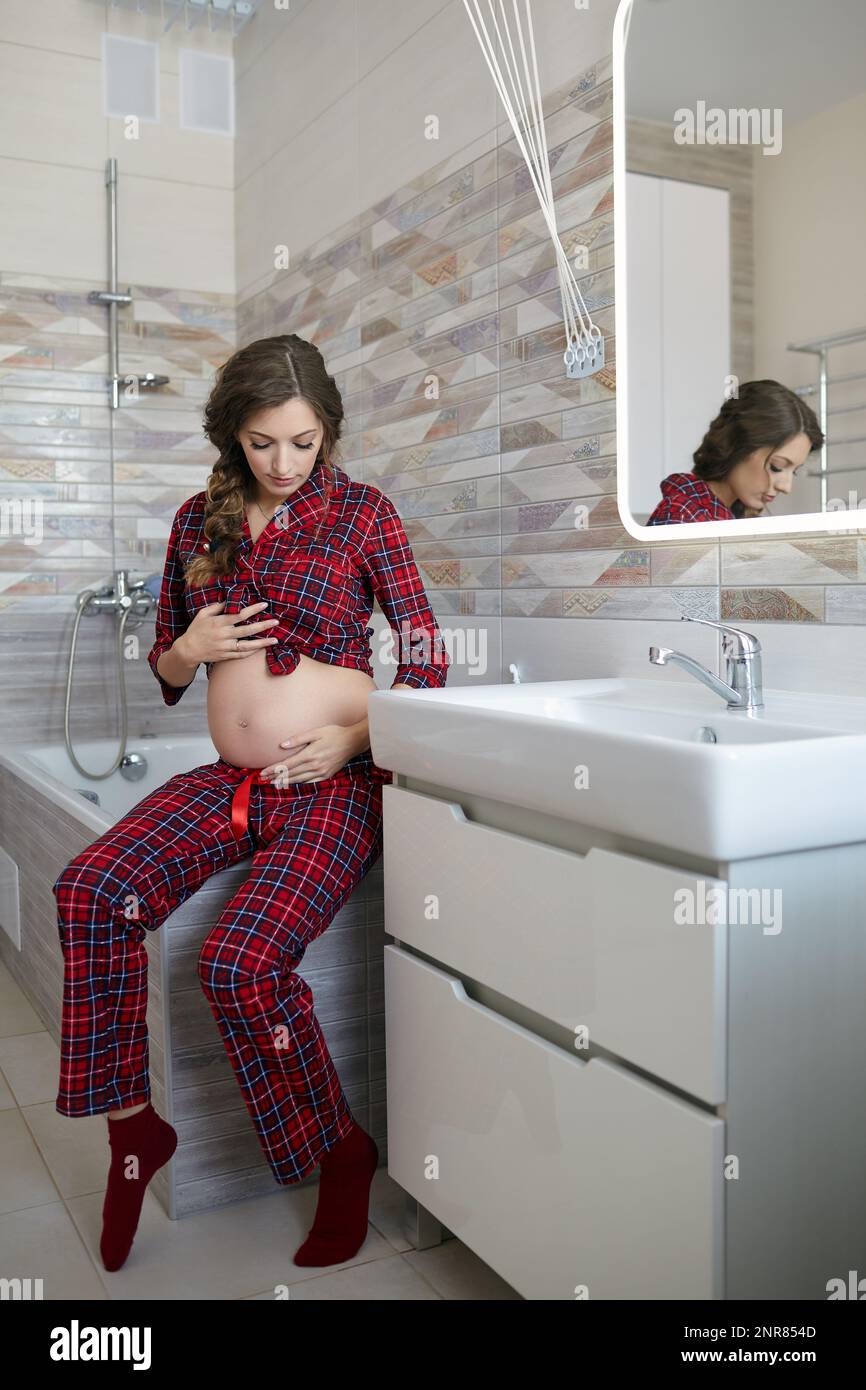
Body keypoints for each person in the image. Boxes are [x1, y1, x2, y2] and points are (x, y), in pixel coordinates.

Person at [52, 333, 450, 1273]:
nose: (282, 463)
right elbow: (164, 672)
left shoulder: (362, 513)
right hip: (231, 782)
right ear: (232, 435)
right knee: (89, 888)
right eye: (262, 442)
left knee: (239, 965)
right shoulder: (199, 519)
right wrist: (189, 644)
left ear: (328, 436)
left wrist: (359, 738)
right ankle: (133, 1129)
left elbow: (425, 649)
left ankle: (339, 1153)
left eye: (302, 443)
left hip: (334, 786)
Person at [645, 379, 824, 525]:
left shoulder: (737, 516)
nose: (786, 487)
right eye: (777, 467)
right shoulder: (681, 517)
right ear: (737, 445)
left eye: (794, 471)